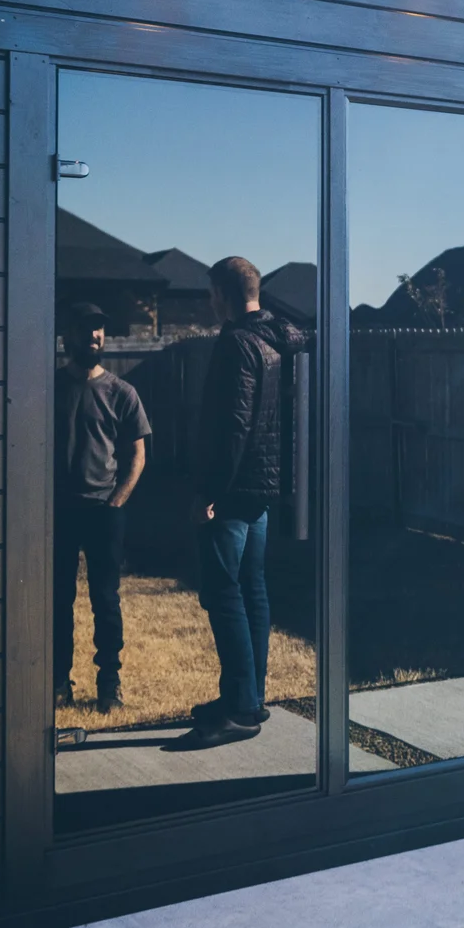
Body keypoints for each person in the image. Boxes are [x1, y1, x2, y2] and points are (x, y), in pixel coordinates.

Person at [169, 256, 299, 751]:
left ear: (223, 293)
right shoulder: (275, 339)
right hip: (262, 486)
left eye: (211, 294)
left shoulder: (237, 343)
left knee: (223, 593)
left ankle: (241, 710)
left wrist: (209, 492)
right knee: (251, 589)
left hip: (234, 488)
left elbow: (233, 425)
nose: (209, 302)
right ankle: (246, 697)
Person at [54, 304, 150, 712]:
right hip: (58, 513)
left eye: (99, 329)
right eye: (87, 328)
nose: (95, 336)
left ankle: (109, 686)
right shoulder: (51, 388)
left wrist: (116, 502)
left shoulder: (121, 392)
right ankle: (58, 683)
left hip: (104, 512)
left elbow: (137, 455)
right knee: (57, 601)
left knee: (106, 601)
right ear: (69, 336)